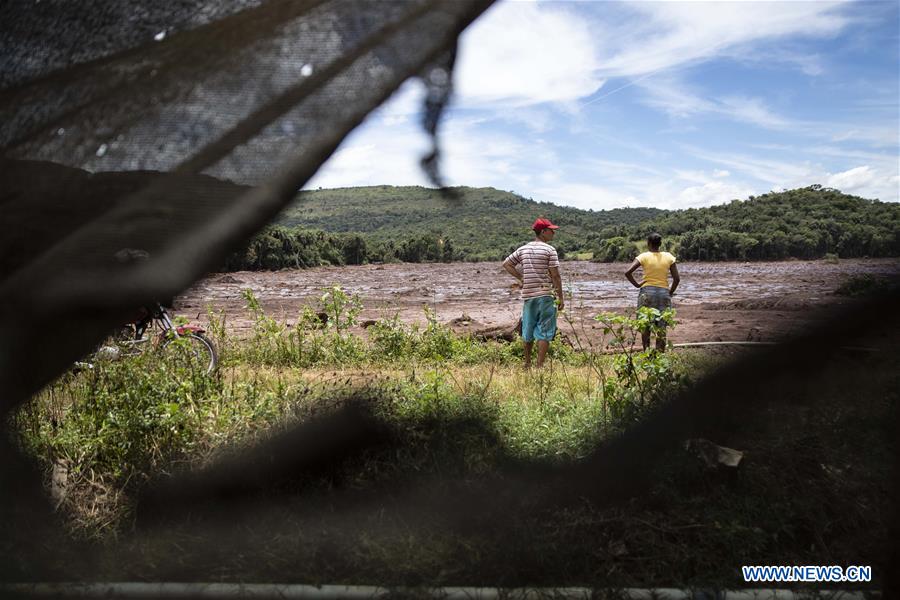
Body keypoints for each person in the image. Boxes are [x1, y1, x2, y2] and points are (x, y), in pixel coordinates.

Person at [503, 217, 564, 369]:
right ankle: (539, 366)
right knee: (545, 330)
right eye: (551, 230)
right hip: (545, 295)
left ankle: (527, 363)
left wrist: (521, 277)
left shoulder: (523, 249)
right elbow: (555, 275)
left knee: (528, 328)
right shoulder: (550, 250)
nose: (553, 233)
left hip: (529, 296)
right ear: (543, 232)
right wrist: (561, 297)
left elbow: (507, 264)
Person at [625, 232, 680, 352]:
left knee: (645, 326)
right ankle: (660, 356)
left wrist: (637, 285)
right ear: (660, 244)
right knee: (661, 327)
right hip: (663, 293)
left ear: (648, 243)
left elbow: (628, 272)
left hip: (646, 292)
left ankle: (647, 354)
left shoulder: (643, 256)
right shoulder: (669, 257)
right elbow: (676, 279)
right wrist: (669, 292)